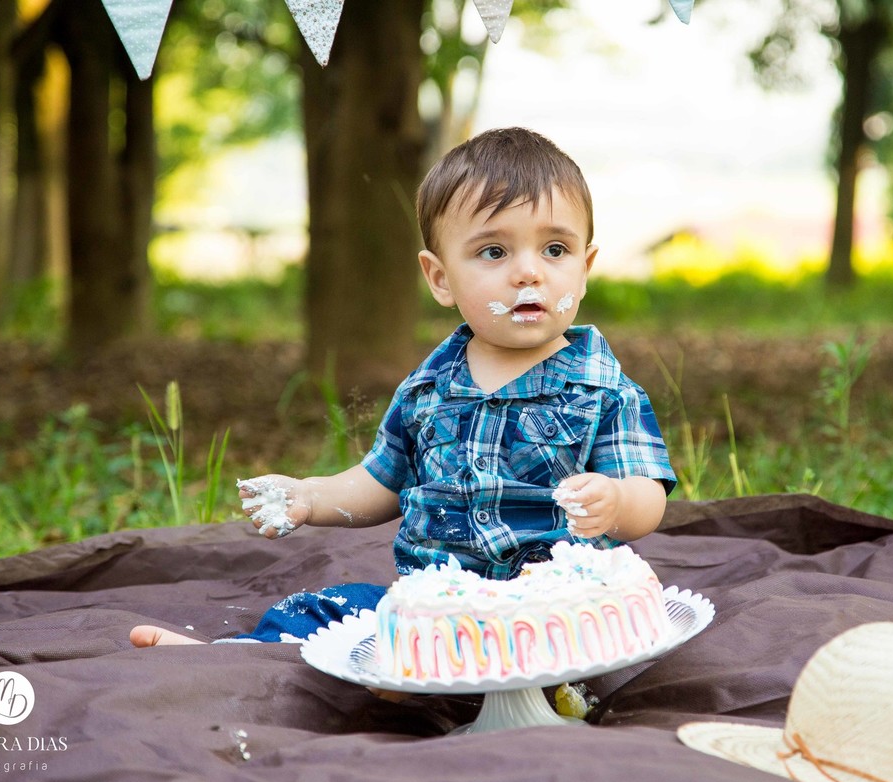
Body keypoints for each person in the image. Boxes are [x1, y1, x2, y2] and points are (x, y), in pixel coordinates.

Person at [130, 127, 676, 648]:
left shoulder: (605, 391)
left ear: (585, 268)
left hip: (557, 607)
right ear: (440, 278)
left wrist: (616, 501)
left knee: (616, 618)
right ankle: (238, 658)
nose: (528, 273)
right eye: (494, 252)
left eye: (555, 250)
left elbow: (648, 497)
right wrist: (310, 496)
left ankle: (512, 686)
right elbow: (381, 483)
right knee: (319, 613)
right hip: (433, 607)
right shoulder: (426, 391)